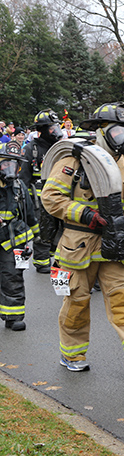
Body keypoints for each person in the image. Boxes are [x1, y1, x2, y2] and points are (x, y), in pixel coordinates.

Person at [41, 102, 124, 374]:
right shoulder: (76, 159)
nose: (121, 137)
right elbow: (51, 197)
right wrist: (85, 215)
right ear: (101, 131)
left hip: (117, 247)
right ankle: (72, 354)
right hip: (79, 246)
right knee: (76, 302)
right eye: (116, 131)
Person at [20, 110, 64, 274]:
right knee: (43, 229)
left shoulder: (59, 148)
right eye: (52, 128)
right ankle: (41, 261)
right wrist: (24, 200)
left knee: (61, 228)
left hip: (60, 197)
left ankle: (58, 258)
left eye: (56, 127)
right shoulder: (32, 148)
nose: (55, 131)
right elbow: (23, 176)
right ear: (43, 130)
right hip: (39, 200)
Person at [0, 142, 37, 331]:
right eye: (5, 164)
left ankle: (13, 316)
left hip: (13, 239)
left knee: (12, 277)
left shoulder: (20, 186)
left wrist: (37, 237)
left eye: (14, 164)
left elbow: (29, 212)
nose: (9, 168)